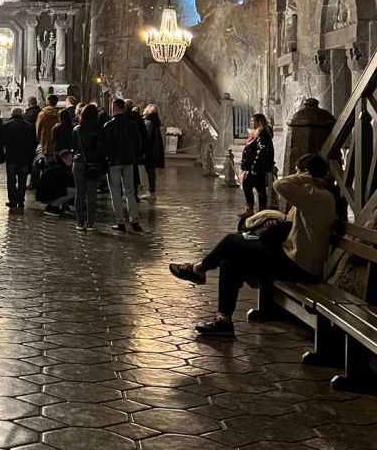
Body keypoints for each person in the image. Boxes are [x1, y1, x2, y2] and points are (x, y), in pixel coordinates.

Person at [169, 154, 340, 338]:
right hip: (291, 257)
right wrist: (276, 221)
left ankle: (198, 270)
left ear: (306, 173)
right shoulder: (316, 195)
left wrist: (306, 178)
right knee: (230, 260)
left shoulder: (318, 195)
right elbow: (298, 222)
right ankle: (223, 321)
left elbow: (279, 185)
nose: (295, 175)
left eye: (297, 172)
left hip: (298, 265)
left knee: (232, 242)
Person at [104, 98, 143, 233]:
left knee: (115, 193)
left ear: (114, 107)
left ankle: (120, 222)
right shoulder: (132, 125)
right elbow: (138, 143)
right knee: (130, 192)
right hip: (128, 161)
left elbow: (106, 145)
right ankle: (134, 221)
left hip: (114, 162)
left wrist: (107, 159)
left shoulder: (109, 125)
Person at [72, 104, 106, 231]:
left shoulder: (76, 129)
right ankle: (91, 223)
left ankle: (79, 223)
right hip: (93, 163)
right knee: (91, 194)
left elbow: (73, 145)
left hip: (78, 162)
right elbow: (101, 148)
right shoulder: (99, 130)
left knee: (79, 193)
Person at [240, 113, 275, 218]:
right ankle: (258, 210)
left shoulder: (262, 134)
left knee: (250, 185)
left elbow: (261, 152)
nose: (251, 123)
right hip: (254, 167)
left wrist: (254, 168)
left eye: (253, 121)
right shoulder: (257, 133)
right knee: (258, 188)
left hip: (257, 167)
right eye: (250, 121)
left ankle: (254, 210)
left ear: (259, 122)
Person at [4, 106, 37, 212]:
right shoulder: (29, 126)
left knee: (11, 179)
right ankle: (21, 200)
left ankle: (13, 200)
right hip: (25, 157)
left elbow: (3, 141)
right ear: (21, 114)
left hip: (12, 156)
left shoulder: (7, 125)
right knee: (23, 180)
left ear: (12, 114)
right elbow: (33, 142)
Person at [31, 95, 60, 189]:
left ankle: (38, 183)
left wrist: (39, 140)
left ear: (48, 101)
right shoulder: (59, 113)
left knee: (38, 163)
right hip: (56, 143)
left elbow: (38, 128)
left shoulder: (43, 114)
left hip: (45, 142)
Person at [38, 150, 76, 216]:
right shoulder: (60, 169)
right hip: (46, 194)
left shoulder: (55, 164)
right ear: (64, 159)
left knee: (69, 189)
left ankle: (54, 206)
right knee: (73, 191)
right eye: (70, 160)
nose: (71, 163)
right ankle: (52, 207)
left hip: (43, 193)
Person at [142, 105, 165, 199]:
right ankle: (152, 191)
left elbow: (146, 136)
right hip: (154, 150)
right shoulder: (156, 122)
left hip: (149, 150)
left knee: (149, 170)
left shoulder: (149, 122)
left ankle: (151, 192)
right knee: (151, 171)